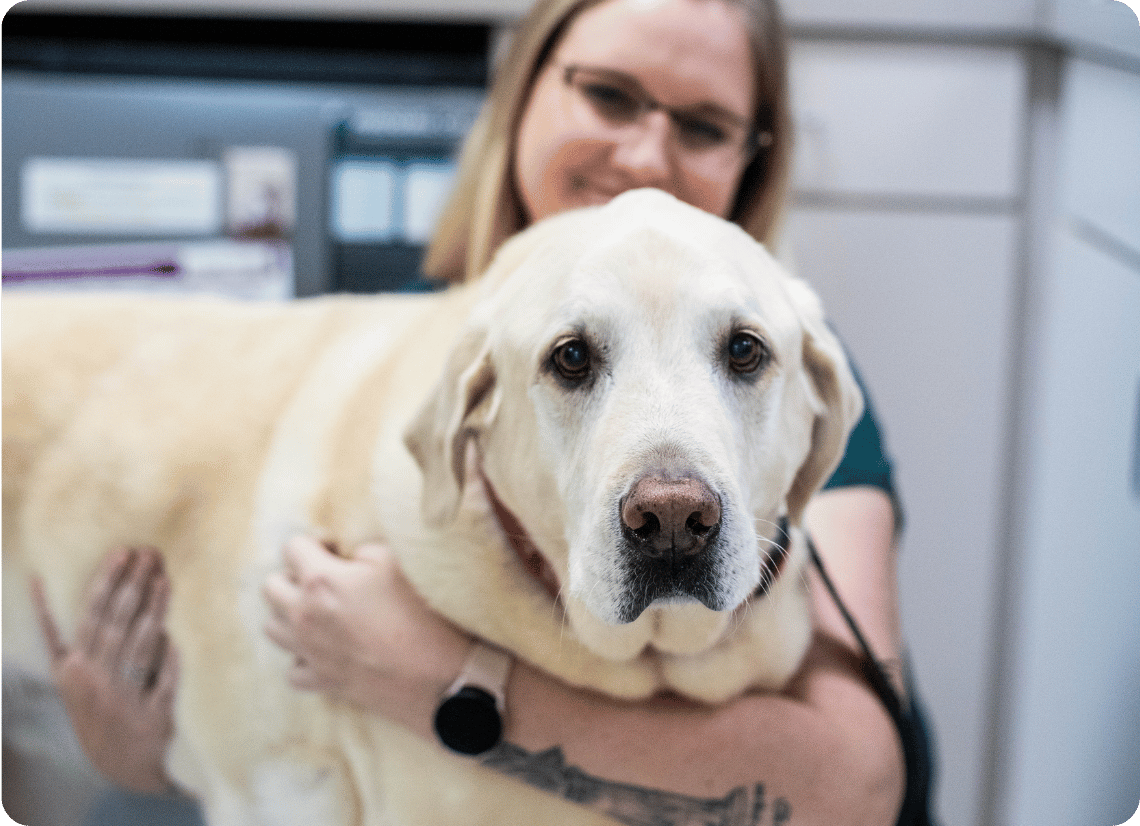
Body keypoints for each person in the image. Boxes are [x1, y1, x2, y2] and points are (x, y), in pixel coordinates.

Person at [33, 0, 934, 824]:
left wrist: (446, 683)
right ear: (523, 88)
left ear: (751, 159)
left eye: (704, 126)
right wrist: (130, 752)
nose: (647, 156)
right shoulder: (411, 360)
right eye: (611, 96)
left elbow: (854, 788)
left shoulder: (793, 371)